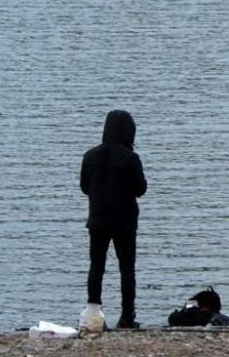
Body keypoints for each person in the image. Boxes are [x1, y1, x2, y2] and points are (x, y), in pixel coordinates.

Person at [80, 110, 148, 330]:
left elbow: (84, 187)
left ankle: (92, 314)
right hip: (125, 222)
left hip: (98, 220)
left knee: (96, 267)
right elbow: (140, 189)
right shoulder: (130, 158)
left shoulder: (90, 155)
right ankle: (127, 316)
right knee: (127, 269)